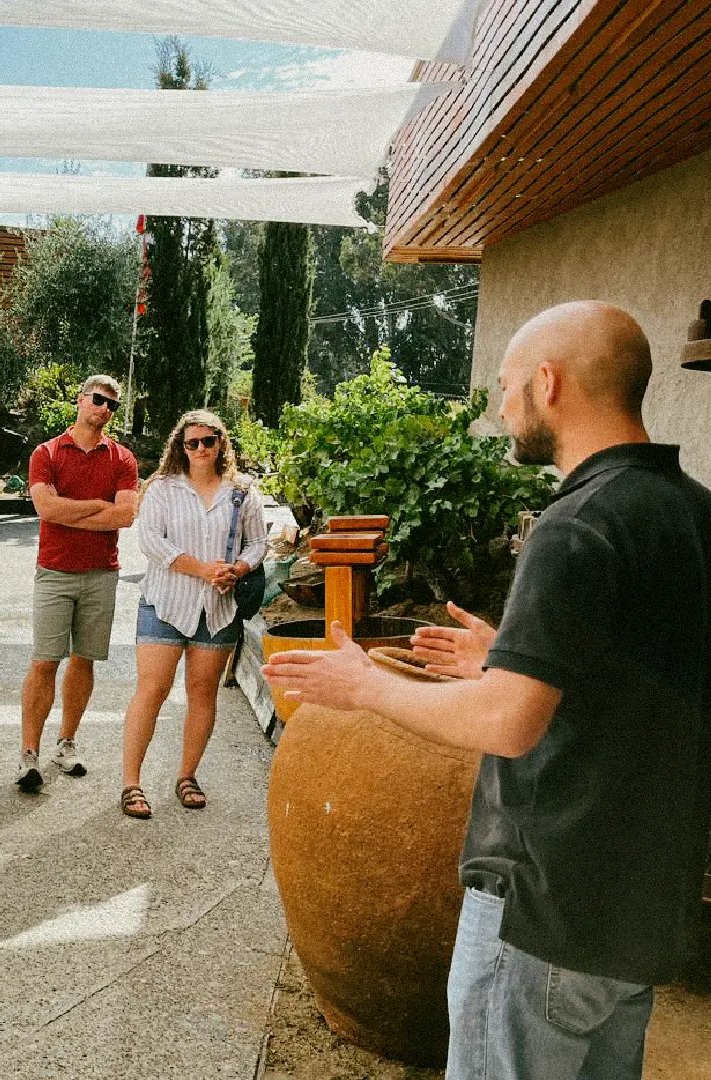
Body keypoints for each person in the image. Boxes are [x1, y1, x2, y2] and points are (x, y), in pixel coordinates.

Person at [262, 301, 711, 1080]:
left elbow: (509, 724)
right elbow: (649, 684)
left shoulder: (576, 524)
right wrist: (509, 662)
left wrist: (365, 685)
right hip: (643, 912)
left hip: (549, 913)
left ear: (549, 383)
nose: (502, 407)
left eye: (507, 385)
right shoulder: (694, 512)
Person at [120, 410, 265, 819]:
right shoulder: (163, 488)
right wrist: (203, 570)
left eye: (208, 441)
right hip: (166, 603)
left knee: (202, 693)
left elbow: (257, 543)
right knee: (152, 690)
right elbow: (151, 542)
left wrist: (238, 569)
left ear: (221, 443)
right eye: (192, 443)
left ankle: (187, 776)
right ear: (181, 447)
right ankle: (131, 783)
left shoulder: (242, 492)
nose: (200, 449)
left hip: (217, 608)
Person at [18, 374, 139, 792]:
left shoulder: (122, 459)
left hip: (101, 572)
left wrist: (70, 510)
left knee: (83, 660)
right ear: (81, 399)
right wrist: (98, 506)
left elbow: (125, 516)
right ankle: (29, 753)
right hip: (55, 571)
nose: (104, 409)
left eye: (112, 405)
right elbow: (46, 510)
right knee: (44, 661)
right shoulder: (47, 452)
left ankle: (66, 742)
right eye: (99, 400)